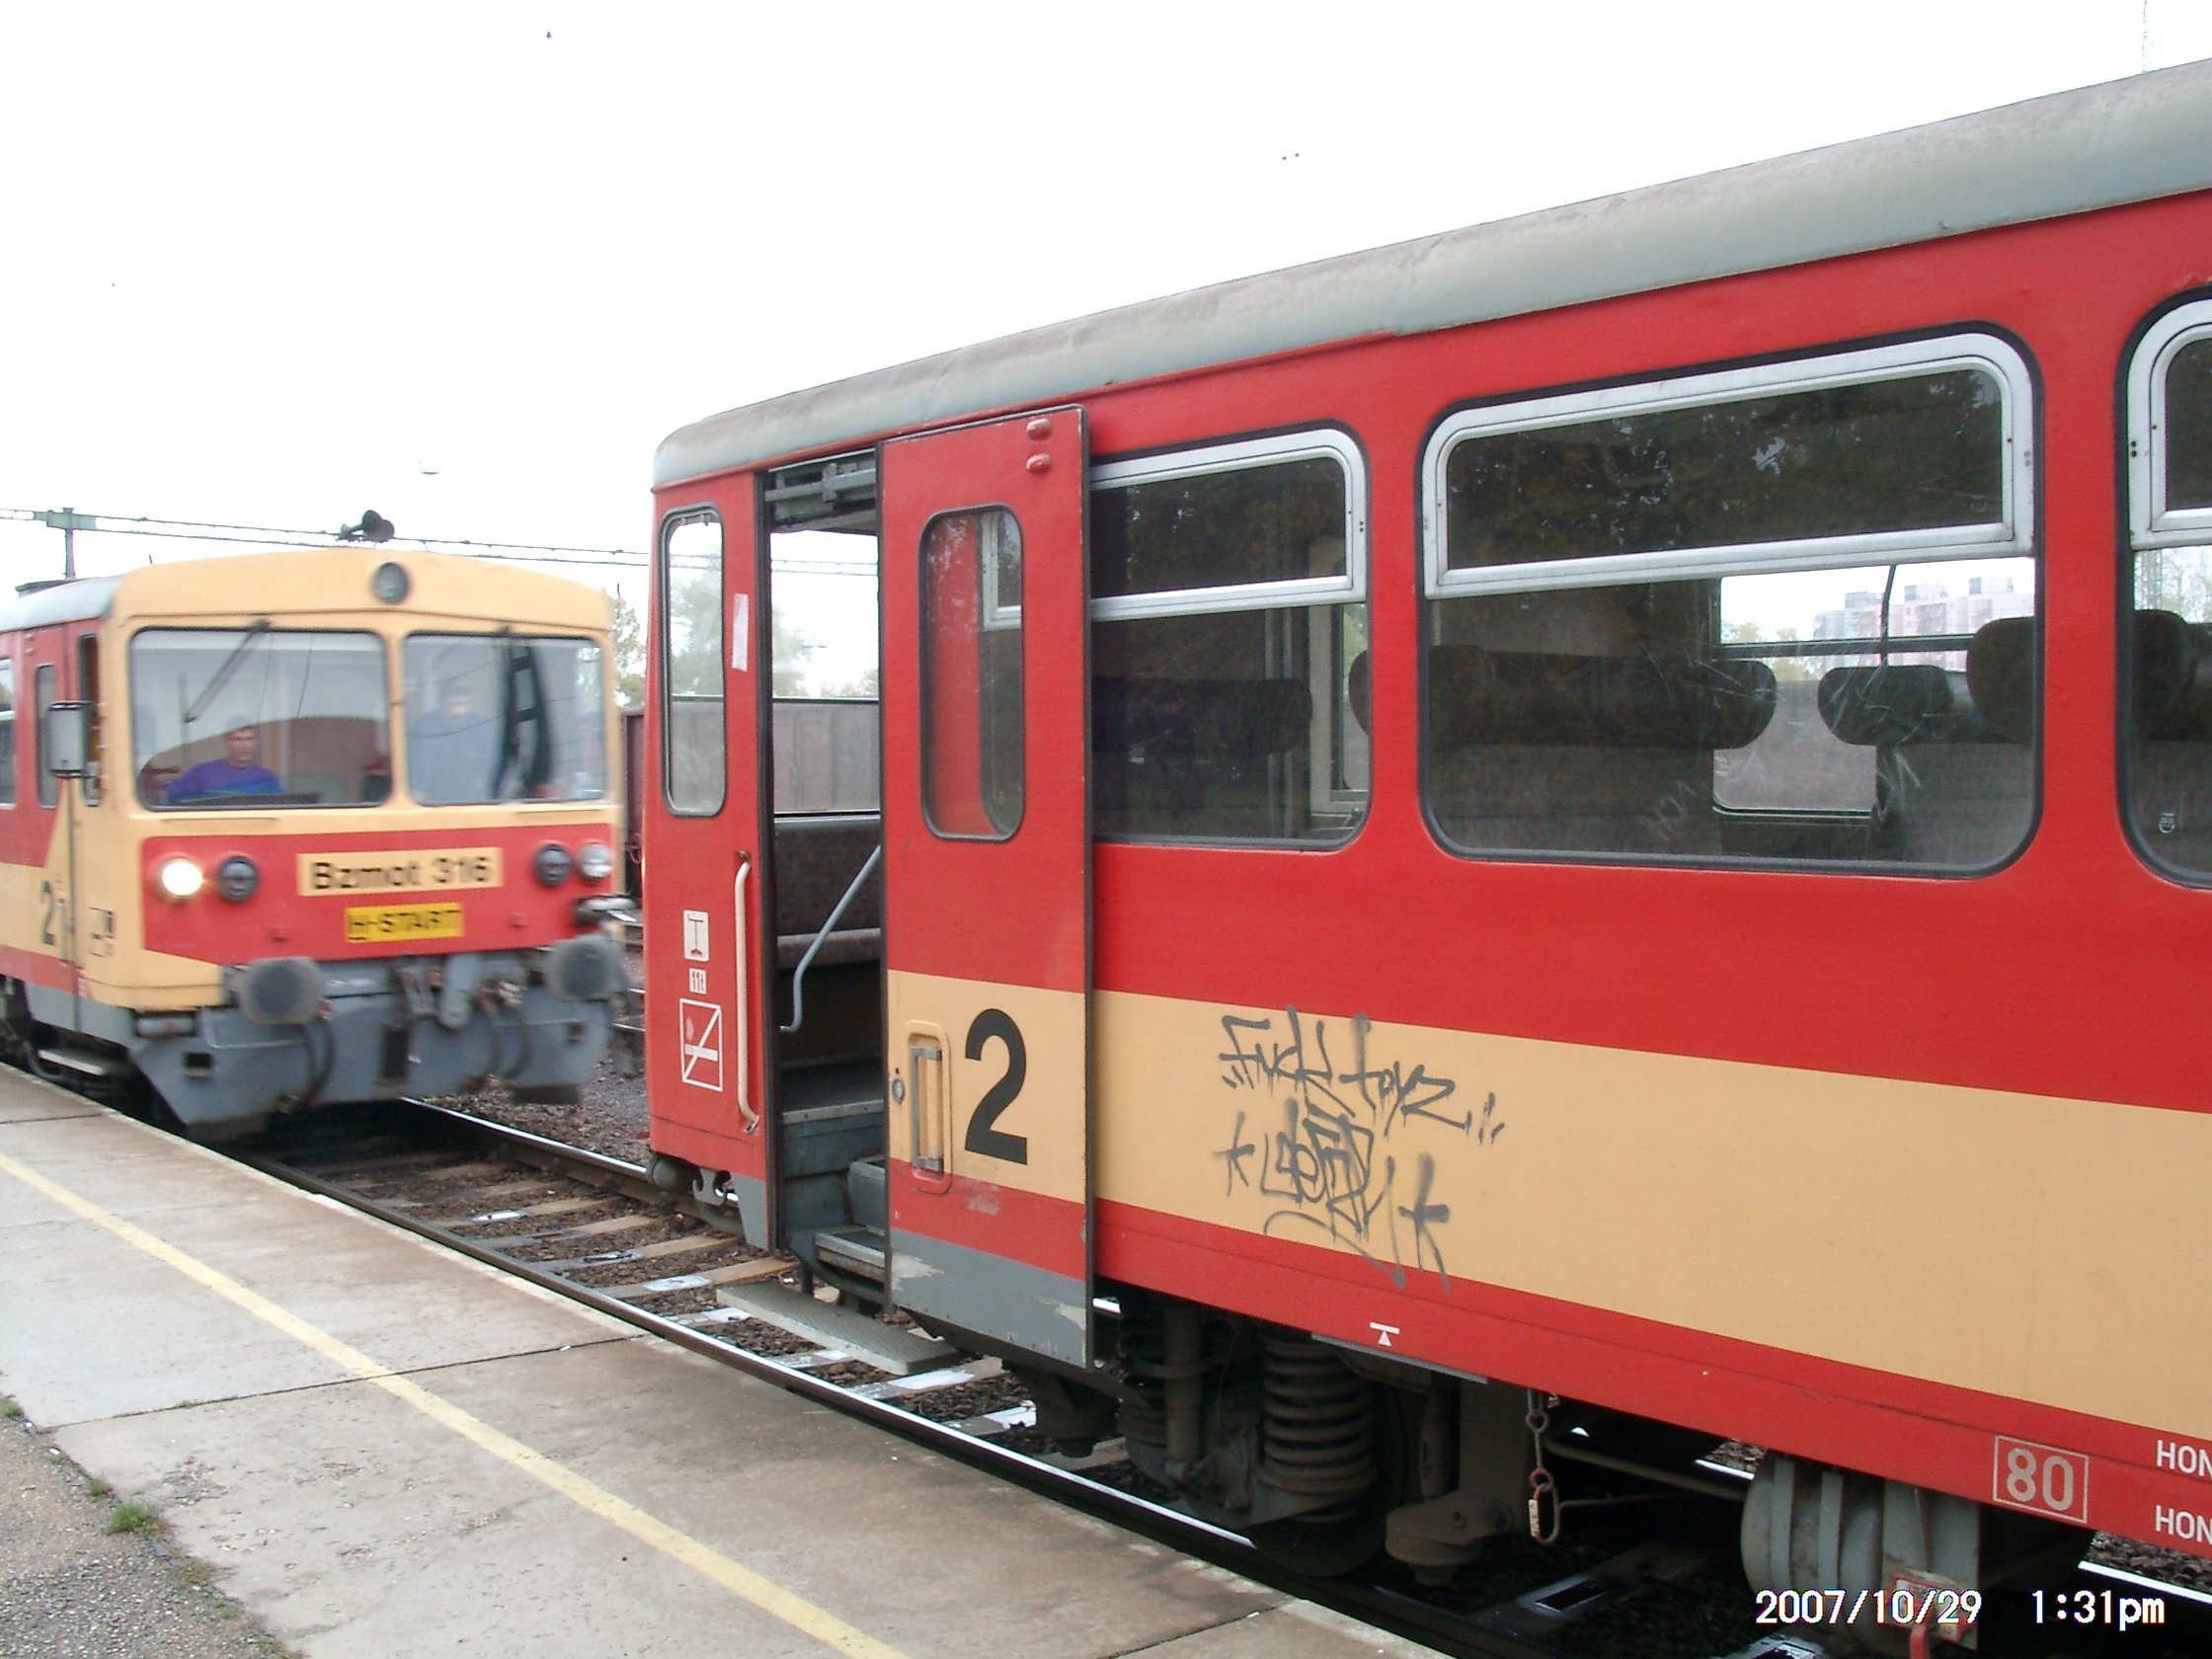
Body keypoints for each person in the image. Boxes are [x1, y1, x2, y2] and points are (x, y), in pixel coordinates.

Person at [166, 725, 281, 802]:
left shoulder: (266, 777)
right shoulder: (203, 773)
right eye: (237, 739)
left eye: (249, 739)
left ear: (256, 742)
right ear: (226, 741)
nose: (244, 745)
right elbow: (171, 797)